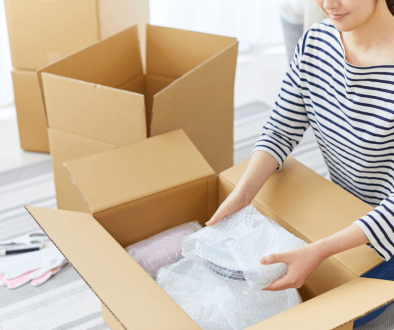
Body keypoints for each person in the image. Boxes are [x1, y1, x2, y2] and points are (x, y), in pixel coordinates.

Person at [207, 0, 394, 326]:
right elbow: (281, 127)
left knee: (325, 312)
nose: (328, 4)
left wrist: (320, 251)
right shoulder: (316, 43)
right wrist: (242, 194)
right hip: (341, 204)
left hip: (386, 232)